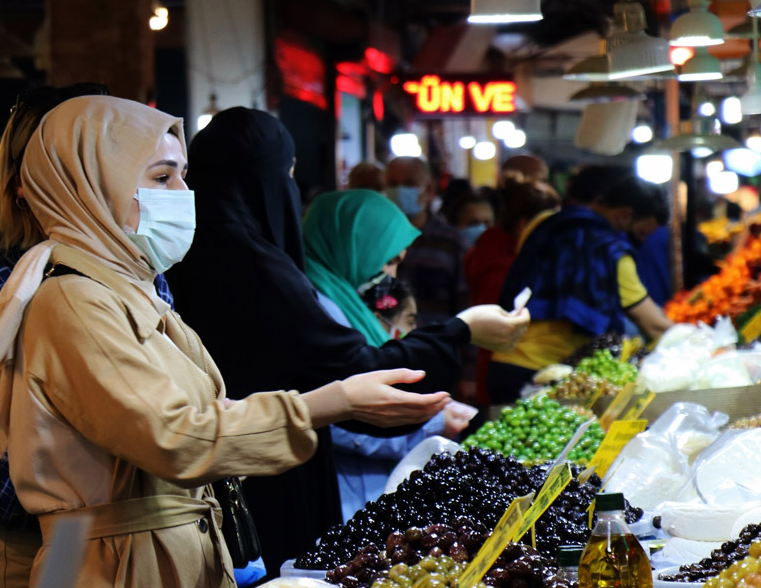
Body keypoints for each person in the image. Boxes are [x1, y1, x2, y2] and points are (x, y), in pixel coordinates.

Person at [0, 96, 457, 587]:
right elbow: (177, 437)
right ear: (91, 188)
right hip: (114, 566)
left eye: (183, 174)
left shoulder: (130, 291)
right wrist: (327, 404)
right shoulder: (75, 301)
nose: (184, 192)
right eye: (162, 178)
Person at [165, 108, 529, 575]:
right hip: (264, 483)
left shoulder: (186, 259)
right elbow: (352, 372)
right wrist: (462, 331)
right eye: (161, 176)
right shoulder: (258, 273)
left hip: (223, 486)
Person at [0, 84, 158, 588]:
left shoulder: (140, 270)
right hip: (58, 540)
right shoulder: (0, 294)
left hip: (130, 532)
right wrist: (77, 491)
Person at [301, 189, 477, 521]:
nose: (391, 276)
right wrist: (426, 425)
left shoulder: (347, 301)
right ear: (353, 245)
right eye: (389, 260)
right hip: (345, 492)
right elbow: (336, 416)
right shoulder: (318, 312)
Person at [491, 176, 675, 402]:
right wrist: (696, 345)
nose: (641, 242)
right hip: (544, 375)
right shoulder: (610, 252)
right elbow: (653, 325)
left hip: (504, 360)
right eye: (641, 233)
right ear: (625, 215)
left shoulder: (544, 222)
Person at [466, 179, 561, 405]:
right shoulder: (506, 267)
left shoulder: (491, 252)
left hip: (493, 362)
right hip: (501, 362)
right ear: (523, 224)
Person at [386, 156, 470, 327]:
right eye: (393, 184)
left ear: (430, 189)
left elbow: (465, 306)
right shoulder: (376, 242)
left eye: (409, 184)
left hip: (434, 348)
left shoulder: (451, 243)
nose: (400, 191)